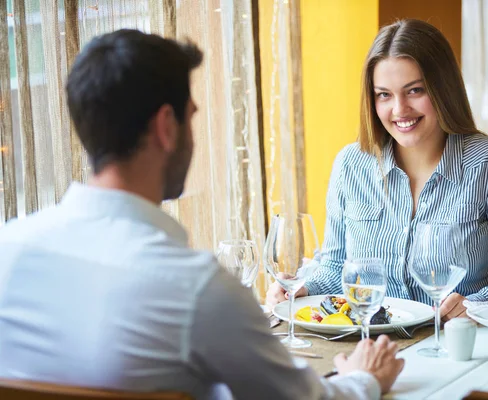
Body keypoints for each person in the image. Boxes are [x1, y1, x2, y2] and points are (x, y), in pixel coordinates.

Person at [0, 29, 404, 399]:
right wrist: (365, 378)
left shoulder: (8, 249)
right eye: (192, 116)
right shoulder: (198, 289)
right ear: (166, 127)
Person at [267, 19, 488, 321]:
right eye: (384, 94)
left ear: (443, 89)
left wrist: (475, 304)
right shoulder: (350, 165)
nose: (399, 110)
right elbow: (335, 268)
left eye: (414, 91)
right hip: (371, 343)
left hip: (458, 344)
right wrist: (303, 288)